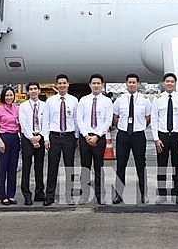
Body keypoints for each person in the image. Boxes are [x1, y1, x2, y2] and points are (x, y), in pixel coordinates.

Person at [112, 73, 152, 204]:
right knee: (120, 165)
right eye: (129, 82)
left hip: (138, 135)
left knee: (141, 165)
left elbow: (148, 118)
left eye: (134, 82)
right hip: (123, 134)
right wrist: (122, 127)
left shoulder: (144, 100)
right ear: (126, 84)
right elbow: (116, 117)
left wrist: (138, 127)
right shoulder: (119, 100)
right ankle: (118, 194)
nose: (132, 84)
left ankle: (143, 193)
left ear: (138, 84)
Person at [151, 72, 178, 204]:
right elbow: (154, 120)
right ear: (164, 83)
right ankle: (161, 193)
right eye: (167, 81)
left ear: (175, 83)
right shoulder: (157, 98)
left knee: (176, 166)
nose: (170, 83)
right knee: (162, 165)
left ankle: (176, 193)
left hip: (177, 137)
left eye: (172, 81)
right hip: (162, 136)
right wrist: (156, 139)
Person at [76, 73, 113, 205]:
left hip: (99, 138)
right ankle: (84, 195)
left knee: (99, 167)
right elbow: (79, 119)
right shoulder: (83, 100)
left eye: (98, 83)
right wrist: (86, 135)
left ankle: (100, 195)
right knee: (85, 167)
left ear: (102, 85)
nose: (96, 85)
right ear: (90, 85)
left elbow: (108, 120)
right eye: (94, 83)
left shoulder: (107, 101)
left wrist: (97, 136)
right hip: (85, 138)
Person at [44, 74, 79, 206]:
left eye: (64, 83)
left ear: (68, 84)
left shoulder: (74, 100)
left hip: (69, 136)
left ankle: (69, 195)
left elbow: (76, 119)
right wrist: (46, 138)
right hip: (54, 136)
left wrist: (76, 136)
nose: (62, 85)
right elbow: (46, 120)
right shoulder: (50, 101)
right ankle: (50, 196)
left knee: (69, 167)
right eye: (60, 83)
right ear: (56, 85)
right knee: (52, 167)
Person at [18, 82, 49, 205]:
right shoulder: (23, 106)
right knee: (26, 167)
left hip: (40, 136)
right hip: (27, 138)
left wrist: (41, 136)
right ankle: (26, 194)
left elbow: (46, 122)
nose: (33, 91)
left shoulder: (44, 105)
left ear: (39, 91)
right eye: (30, 89)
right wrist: (31, 138)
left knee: (39, 166)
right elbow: (23, 123)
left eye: (35, 89)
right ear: (27, 92)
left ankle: (39, 192)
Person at [0, 86, 20, 205]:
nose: (9, 97)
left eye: (11, 95)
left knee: (13, 169)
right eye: (7, 95)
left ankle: (11, 195)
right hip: (4, 138)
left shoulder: (17, 108)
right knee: (2, 169)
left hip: (15, 138)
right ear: (3, 97)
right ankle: (3, 195)